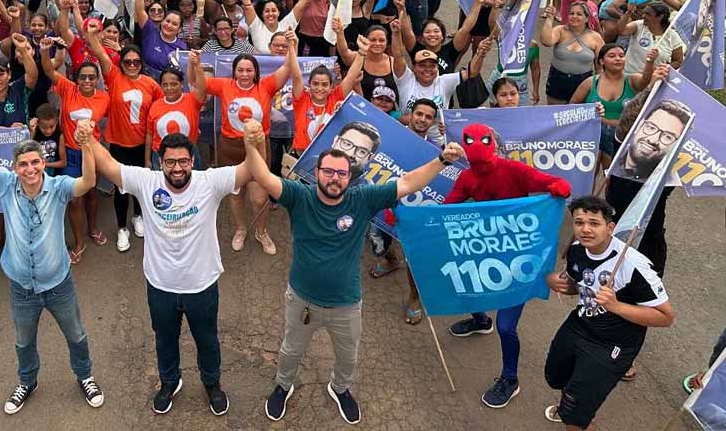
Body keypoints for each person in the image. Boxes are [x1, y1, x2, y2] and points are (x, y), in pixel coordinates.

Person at [241, 118, 465, 425]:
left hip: (346, 304)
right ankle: (283, 385)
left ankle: (340, 388)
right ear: (317, 173)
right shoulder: (299, 196)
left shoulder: (363, 198)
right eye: (329, 171)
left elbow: (409, 182)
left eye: (341, 174)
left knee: (348, 357)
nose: (335, 178)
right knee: (291, 350)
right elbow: (264, 177)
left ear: (351, 176)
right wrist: (250, 144)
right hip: (301, 300)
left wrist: (441, 160)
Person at [0, 113, 105, 415]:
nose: (30, 169)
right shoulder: (5, 183)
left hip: (58, 284)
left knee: (76, 334)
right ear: (14, 167)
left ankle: (85, 376)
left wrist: (87, 144)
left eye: (35, 162)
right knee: (24, 342)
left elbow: (89, 181)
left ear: (43, 163)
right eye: (23, 164)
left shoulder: (60, 187)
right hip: (21, 287)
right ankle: (27, 382)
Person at [88, 131, 251, 415]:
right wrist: (87, 138)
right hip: (160, 285)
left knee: (207, 340)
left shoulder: (209, 182)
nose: (177, 168)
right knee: (164, 339)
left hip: (202, 285)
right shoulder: (146, 181)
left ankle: (212, 384)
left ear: (193, 161)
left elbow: (250, 169)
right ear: (159, 161)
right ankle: (169, 382)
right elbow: (108, 165)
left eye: (184, 161)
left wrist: (255, 140)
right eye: (170, 162)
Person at [440, 122, 572, 409]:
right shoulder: (466, 177)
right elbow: (447, 209)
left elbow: (546, 180)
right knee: (462, 284)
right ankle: (479, 320)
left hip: (517, 258)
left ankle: (510, 379)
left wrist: (556, 186)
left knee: (506, 326)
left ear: (495, 145)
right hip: (483, 250)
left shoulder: (515, 171)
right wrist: (409, 218)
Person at [544, 196, 673, 428]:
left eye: (594, 223)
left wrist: (616, 306)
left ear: (610, 227)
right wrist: (561, 284)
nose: (585, 229)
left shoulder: (634, 264)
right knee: (557, 375)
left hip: (612, 344)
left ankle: (577, 416)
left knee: (575, 416)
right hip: (579, 325)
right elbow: (578, 286)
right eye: (579, 222)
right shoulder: (576, 249)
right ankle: (576, 407)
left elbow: (665, 317)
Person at [193, 50, 292, 255]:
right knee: (236, 195)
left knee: (259, 198)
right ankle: (240, 228)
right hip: (230, 148)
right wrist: (196, 64)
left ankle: (261, 232)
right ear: (234, 72)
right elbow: (199, 84)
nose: (245, 74)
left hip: (258, 147)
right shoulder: (224, 85)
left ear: (255, 72)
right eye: (241, 70)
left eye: (249, 70)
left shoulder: (266, 85)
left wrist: (293, 45)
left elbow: (287, 68)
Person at [83, 25, 161, 252]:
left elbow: (159, 110)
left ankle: (138, 216)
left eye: (136, 62)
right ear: (121, 63)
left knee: (139, 185)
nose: (132, 65)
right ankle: (121, 228)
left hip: (141, 144)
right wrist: (91, 34)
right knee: (121, 187)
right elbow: (98, 51)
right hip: (118, 143)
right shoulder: (114, 76)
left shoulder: (150, 84)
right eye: (127, 62)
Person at [41, 38, 110, 264]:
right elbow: (49, 70)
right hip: (71, 153)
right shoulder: (68, 89)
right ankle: (79, 242)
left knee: (91, 194)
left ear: (97, 78)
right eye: (83, 77)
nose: (87, 80)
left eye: (92, 77)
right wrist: (44, 50)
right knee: (74, 200)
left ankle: (93, 228)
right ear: (76, 78)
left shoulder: (104, 97)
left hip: (93, 153)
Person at [539, 2, 604, 104]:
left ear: (587, 18)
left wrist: (599, 86)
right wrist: (549, 19)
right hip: (557, 80)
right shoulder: (560, 30)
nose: (574, 16)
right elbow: (546, 41)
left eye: (579, 14)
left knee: (577, 115)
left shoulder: (596, 38)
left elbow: (600, 66)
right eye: (571, 13)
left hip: (583, 83)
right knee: (554, 114)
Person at [615, 98, 691, 182]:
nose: (653, 140)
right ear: (639, 125)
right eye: (651, 127)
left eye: (668, 136)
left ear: (677, 145)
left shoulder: (665, 183)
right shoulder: (617, 152)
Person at [615, 0, 684, 75]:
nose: (643, 16)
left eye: (648, 14)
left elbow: (678, 61)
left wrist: (662, 69)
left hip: (651, 81)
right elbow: (621, 31)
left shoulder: (673, 37)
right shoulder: (639, 25)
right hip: (628, 75)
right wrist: (629, 12)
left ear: (660, 17)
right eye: (644, 13)